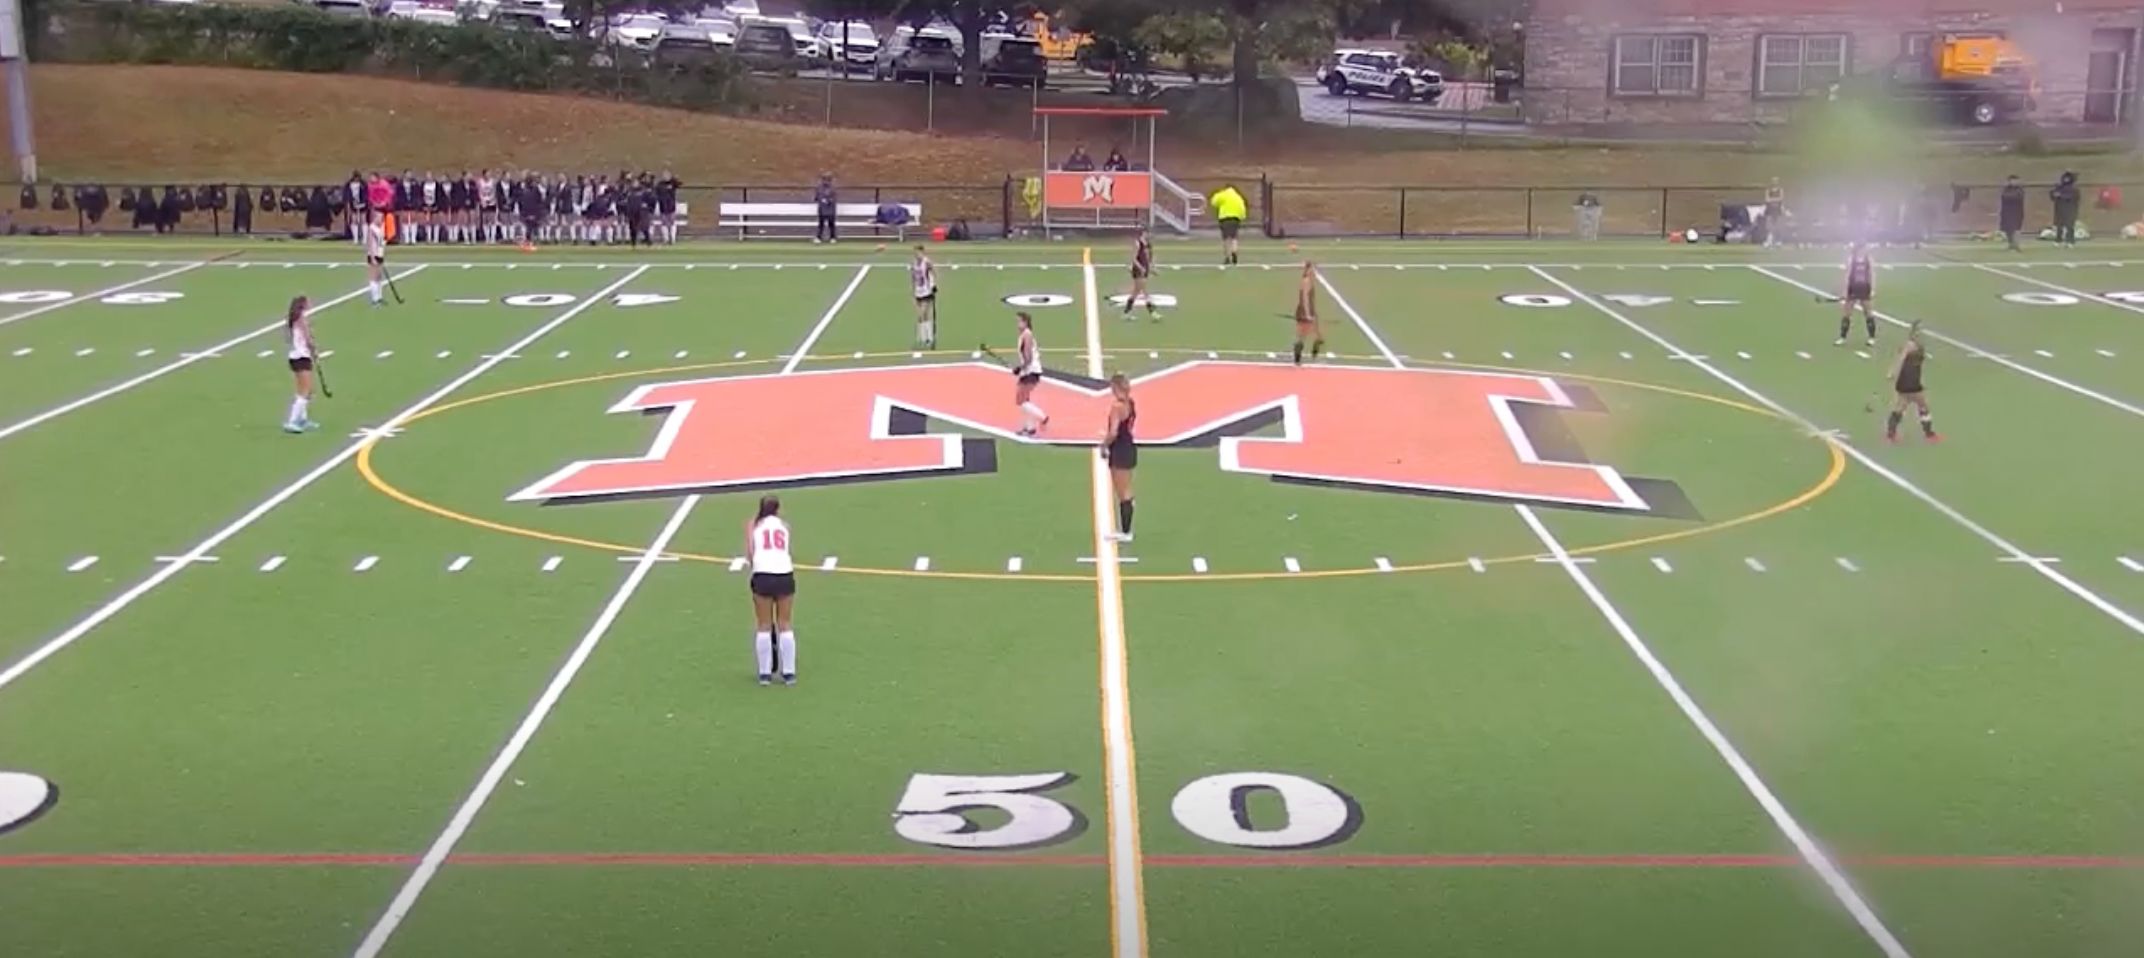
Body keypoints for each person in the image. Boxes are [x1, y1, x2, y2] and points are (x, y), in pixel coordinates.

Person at [746, 495, 798, 687]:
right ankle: (789, 672)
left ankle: (765, 674)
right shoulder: (785, 526)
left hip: (762, 575)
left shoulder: (754, 525)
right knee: (785, 623)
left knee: (764, 624)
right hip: (784, 573)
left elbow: (751, 553)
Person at [1882, 321, 1939, 444]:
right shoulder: (1910, 345)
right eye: (1919, 330)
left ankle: (1890, 434)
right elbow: (1901, 358)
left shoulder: (1918, 345)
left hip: (1909, 380)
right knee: (1923, 405)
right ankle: (1929, 434)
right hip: (1910, 380)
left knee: (1901, 406)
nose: (1921, 333)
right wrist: (1892, 371)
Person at [1101, 373, 1137, 542]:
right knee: (1126, 489)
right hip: (1129, 446)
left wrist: (1104, 445)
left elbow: (1113, 432)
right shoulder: (1130, 403)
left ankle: (1126, 531)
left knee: (1122, 492)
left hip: (1120, 449)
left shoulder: (1117, 407)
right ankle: (1126, 526)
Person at [283, 296, 320, 434]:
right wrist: (314, 350)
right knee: (305, 391)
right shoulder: (301, 319)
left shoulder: (291, 320)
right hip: (302, 357)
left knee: (303, 390)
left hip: (294, 356)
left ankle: (302, 419)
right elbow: (308, 339)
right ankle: (292, 421)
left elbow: (288, 339)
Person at [1014, 312, 1048, 436]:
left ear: (1025, 322)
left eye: (1019, 321)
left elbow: (1028, 357)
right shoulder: (1025, 335)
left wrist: (1020, 368)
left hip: (1030, 371)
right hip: (1029, 370)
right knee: (1025, 399)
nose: (1017, 324)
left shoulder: (1027, 335)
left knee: (1020, 400)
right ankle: (1030, 428)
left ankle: (1042, 417)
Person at [1837, 241, 1876, 348]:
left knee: (1868, 313)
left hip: (1864, 288)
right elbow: (1847, 275)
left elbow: (1872, 274)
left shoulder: (1869, 260)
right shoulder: (1851, 260)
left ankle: (1871, 338)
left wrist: (1872, 289)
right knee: (1847, 313)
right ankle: (1842, 337)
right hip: (1853, 288)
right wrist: (1845, 291)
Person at [1293, 261, 1326, 365]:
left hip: (1309, 310)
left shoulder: (1309, 280)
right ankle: (1300, 358)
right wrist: (1307, 314)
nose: (1314, 272)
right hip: (1305, 311)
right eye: (1313, 269)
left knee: (1317, 336)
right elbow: (1305, 298)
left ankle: (1313, 356)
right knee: (1304, 336)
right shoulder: (1306, 281)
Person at [1124, 228, 1158, 321]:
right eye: (1148, 233)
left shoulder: (1149, 245)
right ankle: (1152, 312)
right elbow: (1134, 258)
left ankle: (1127, 312)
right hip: (1138, 270)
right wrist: (1140, 268)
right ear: (1144, 233)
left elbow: (1149, 259)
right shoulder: (1138, 243)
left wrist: (1151, 268)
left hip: (1145, 270)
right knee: (1144, 291)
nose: (1150, 236)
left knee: (1136, 292)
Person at [1210, 182, 1247, 265]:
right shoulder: (1238, 197)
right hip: (1236, 218)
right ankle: (1234, 251)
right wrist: (1242, 217)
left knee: (1226, 238)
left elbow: (1214, 202)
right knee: (1234, 237)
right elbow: (1242, 208)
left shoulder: (1223, 195)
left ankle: (1227, 256)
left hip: (1225, 218)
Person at [910, 245, 937, 348]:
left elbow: (934, 273)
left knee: (924, 313)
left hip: (927, 291)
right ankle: (922, 337)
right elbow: (912, 278)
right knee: (921, 316)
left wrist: (933, 285)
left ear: (922, 252)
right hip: (918, 292)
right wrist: (912, 292)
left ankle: (929, 338)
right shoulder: (913, 264)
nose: (916, 254)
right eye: (915, 252)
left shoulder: (927, 262)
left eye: (918, 252)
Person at [363, 211, 388, 307]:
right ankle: (374, 299)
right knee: (373, 277)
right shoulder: (371, 228)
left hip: (380, 254)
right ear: (375, 218)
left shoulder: (381, 227)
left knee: (379, 277)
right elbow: (369, 243)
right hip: (374, 254)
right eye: (379, 217)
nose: (381, 219)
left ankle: (379, 297)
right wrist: (373, 257)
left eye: (382, 217)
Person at [2051, 171, 2080, 247]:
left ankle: (2070, 241)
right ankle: (2058, 240)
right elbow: (2053, 196)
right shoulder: (2059, 187)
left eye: (2068, 178)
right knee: (2059, 226)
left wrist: (2060, 195)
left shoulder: (2074, 189)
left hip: (2070, 209)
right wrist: (2054, 194)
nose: (2066, 179)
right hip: (2060, 209)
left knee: (2069, 226)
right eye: (2065, 178)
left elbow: (2072, 197)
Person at [1999, 175, 2026, 252]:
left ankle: (2016, 245)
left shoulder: (2020, 190)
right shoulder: (2006, 189)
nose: (2014, 182)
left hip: (2017, 211)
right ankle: (2011, 244)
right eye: (2012, 180)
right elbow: (2004, 196)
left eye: (2016, 180)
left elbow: (2017, 197)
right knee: (2008, 229)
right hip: (2006, 211)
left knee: (2016, 229)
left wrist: (2009, 197)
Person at [655, 169, 681, 244]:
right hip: (663, 206)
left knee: (672, 222)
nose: (666, 177)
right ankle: (665, 239)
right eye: (664, 175)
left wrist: (674, 179)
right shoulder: (660, 185)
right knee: (664, 223)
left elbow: (679, 184)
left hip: (671, 206)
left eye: (667, 175)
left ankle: (672, 239)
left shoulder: (672, 183)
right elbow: (656, 193)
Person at [813, 173, 838, 244]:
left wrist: (828, 200)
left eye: (827, 179)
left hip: (830, 210)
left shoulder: (833, 188)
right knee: (821, 224)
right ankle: (818, 237)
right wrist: (820, 199)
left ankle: (832, 237)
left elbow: (834, 198)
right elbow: (816, 197)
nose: (825, 181)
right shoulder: (819, 188)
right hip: (822, 209)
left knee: (831, 224)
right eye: (824, 179)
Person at [1762, 177, 1785, 248]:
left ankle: (1778, 241)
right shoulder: (1768, 190)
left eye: (1776, 181)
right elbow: (1767, 199)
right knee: (1769, 226)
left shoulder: (1780, 190)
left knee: (1778, 226)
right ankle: (1769, 241)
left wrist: (1772, 200)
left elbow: (1781, 198)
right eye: (1773, 181)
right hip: (1770, 210)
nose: (1775, 182)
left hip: (1778, 210)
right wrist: (1775, 200)